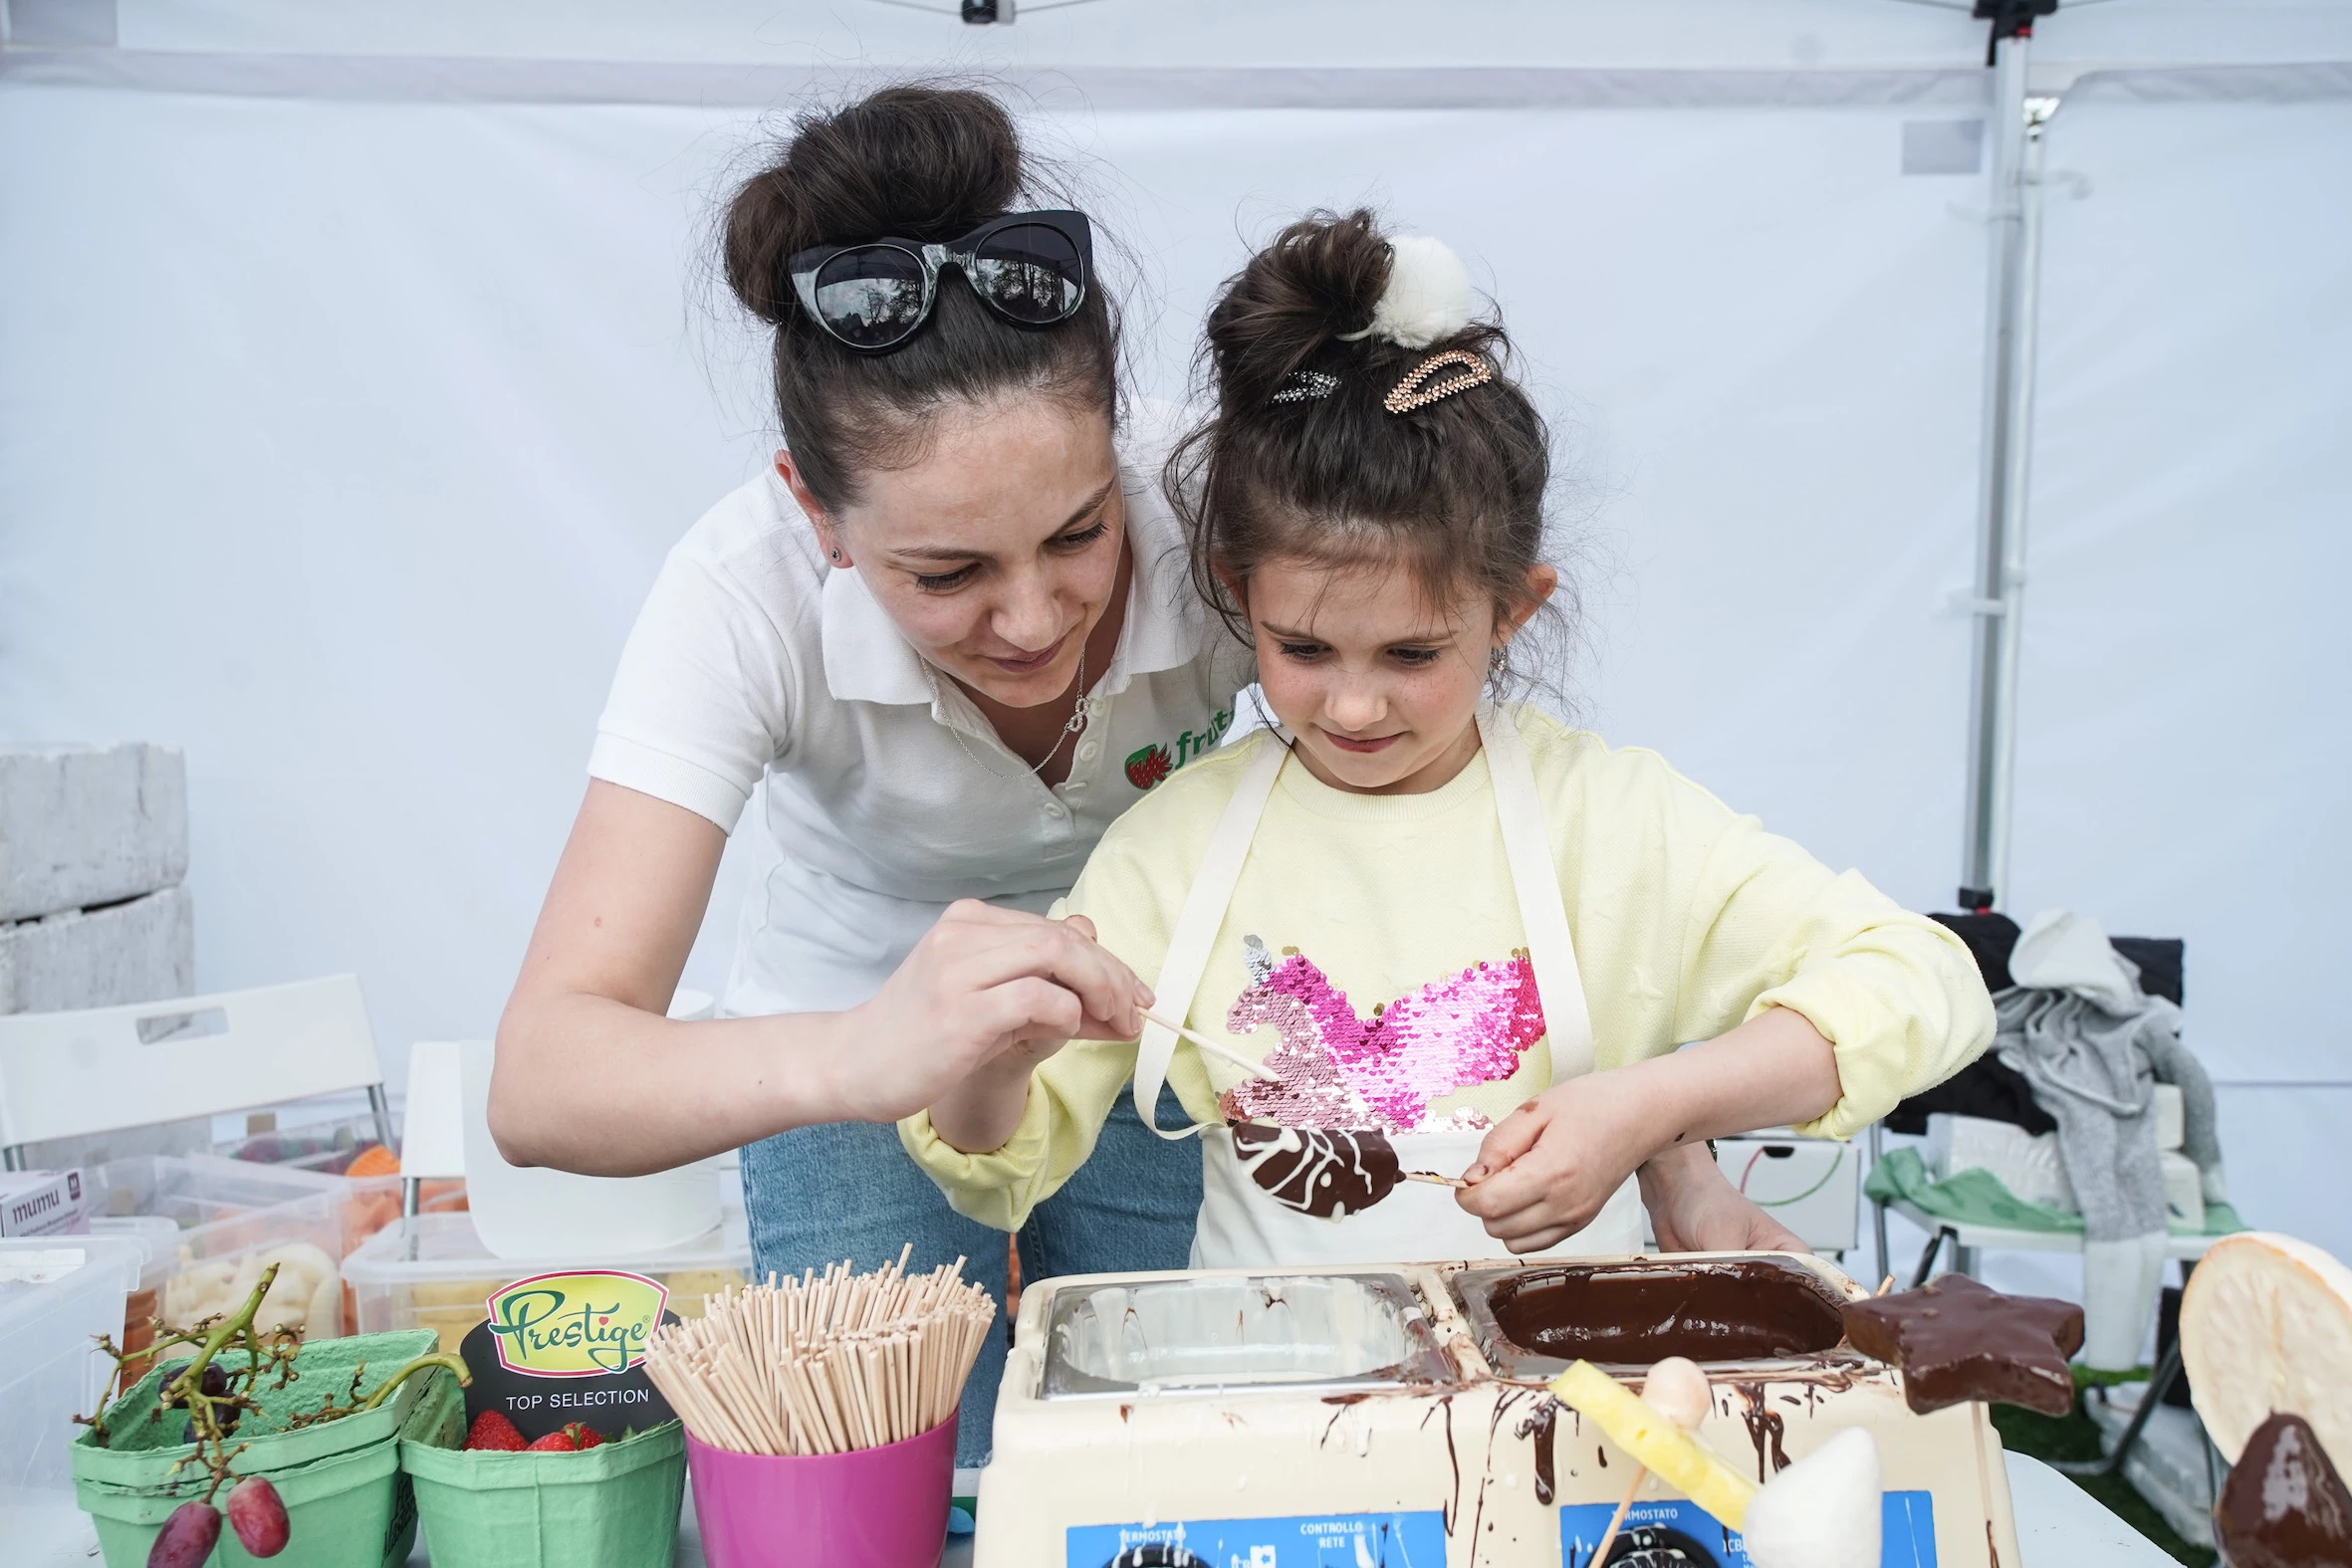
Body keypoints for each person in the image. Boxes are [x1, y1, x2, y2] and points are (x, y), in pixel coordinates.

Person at [901, 210, 1996, 1266]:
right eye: (1304, 649)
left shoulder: (1609, 822)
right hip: (1270, 1403)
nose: (1354, 708)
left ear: (1511, 610)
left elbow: (1923, 981)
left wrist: (1651, 1106)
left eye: (1413, 655)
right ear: (1239, 594)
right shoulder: (1172, 852)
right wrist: (999, 1053)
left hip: (1565, 1408)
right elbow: (994, 1168)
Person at [489, 87, 1248, 1464]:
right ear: (810, 508)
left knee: (1164, 1452)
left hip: (1150, 1022)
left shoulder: (1208, 507)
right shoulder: (739, 594)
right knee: (890, 1480)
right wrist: (867, 1051)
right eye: (944, 572)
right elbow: (542, 1080)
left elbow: (1465, 775)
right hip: (850, 1040)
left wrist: (1657, 1142)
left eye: (1078, 535)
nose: (1032, 618)